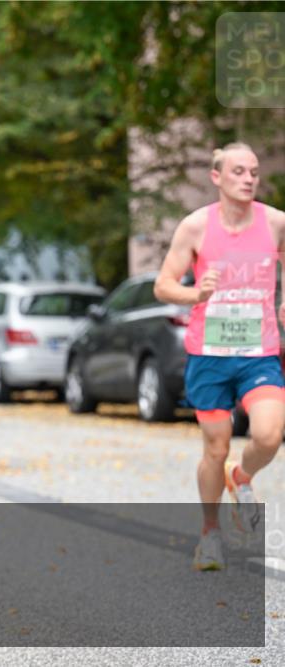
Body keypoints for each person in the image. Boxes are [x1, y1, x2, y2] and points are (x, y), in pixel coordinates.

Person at [154, 142, 285, 571]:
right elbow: (163, 285)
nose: (248, 179)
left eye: (253, 172)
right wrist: (197, 293)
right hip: (208, 354)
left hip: (258, 352)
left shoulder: (274, 222)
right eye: (239, 172)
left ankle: (241, 476)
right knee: (216, 447)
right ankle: (210, 534)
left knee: (268, 434)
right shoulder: (195, 227)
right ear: (217, 177)